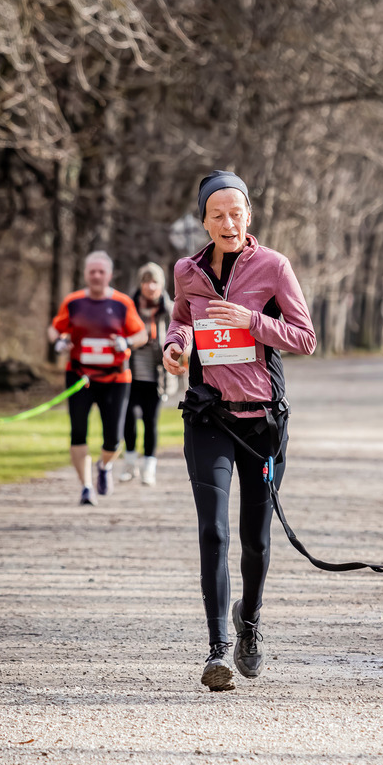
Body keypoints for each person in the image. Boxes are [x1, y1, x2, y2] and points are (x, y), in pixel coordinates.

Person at [163, 170, 316, 693]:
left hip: (263, 422)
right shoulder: (187, 271)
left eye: (237, 212)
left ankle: (248, 622)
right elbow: (181, 320)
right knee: (214, 531)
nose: (228, 222)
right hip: (209, 417)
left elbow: (305, 337)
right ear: (204, 221)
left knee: (254, 539)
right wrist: (175, 346)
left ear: (250, 214)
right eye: (217, 214)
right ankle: (218, 648)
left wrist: (252, 320)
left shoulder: (273, 266)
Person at [48, 251, 147, 505]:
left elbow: (141, 335)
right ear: (85, 274)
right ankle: (86, 487)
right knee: (78, 432)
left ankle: (104, 467)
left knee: (114, 438)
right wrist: (59, 342)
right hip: (80, 376)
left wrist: (125, 341)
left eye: (101, 271)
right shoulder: (73, 302)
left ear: (109, 275)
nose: (96, 276)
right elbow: (55, 329)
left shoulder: (123, 303)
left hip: (115, 378)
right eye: (92, 271)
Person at [119, 262, 175, 486]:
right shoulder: (128, 307)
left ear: (161, 285)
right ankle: (130, 465)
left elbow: (179, 338)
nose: (151, 287)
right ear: (140, 284)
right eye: (146, 281)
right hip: (130, 375)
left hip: (156, 377)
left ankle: (149, 469)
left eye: (155, 282)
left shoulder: (168, 310)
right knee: (129, 419)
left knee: (151, 422)